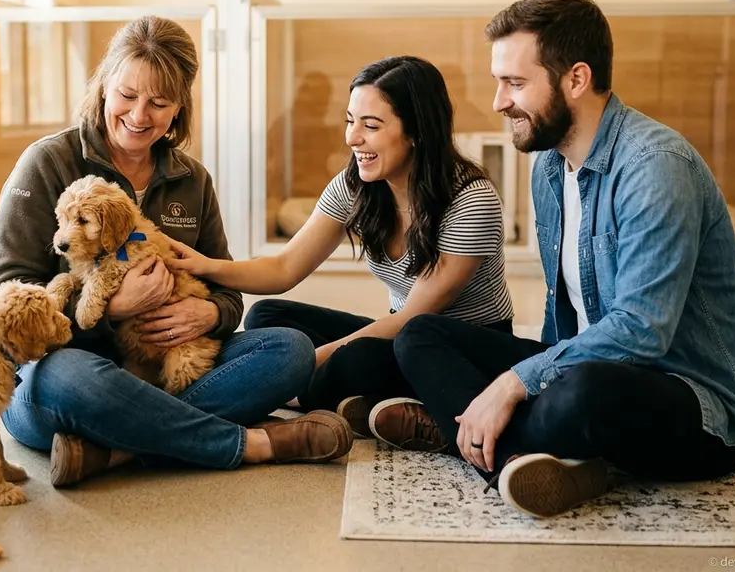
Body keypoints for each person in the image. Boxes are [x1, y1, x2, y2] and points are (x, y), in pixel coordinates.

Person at [374, 0, 735, 518]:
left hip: (694, 406)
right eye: (500, 83)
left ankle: (468, 433)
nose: (499, 102)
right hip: (591, 370)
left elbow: (642, 330)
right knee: (420, 334)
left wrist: (516, 383)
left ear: (576, 79)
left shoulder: (655, 165)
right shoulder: (548, 166)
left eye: (515, 83)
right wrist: (529, 377)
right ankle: (527, 461)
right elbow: (564, 313)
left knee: (579, 389)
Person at [0, 15, 354, 488]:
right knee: (69, 380)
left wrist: (207, 315)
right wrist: (111, 309)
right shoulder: (48, 162)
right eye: (127, 95)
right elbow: (6, 296)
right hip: (70, 368)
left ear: (179, 107)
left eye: (159, 103)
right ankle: (250, 444)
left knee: (289, 349)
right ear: (103, 86)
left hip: (163, 365)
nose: (140, 116)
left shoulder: (192, 179)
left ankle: (115, 451)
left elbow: (226, 295)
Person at [168, 55, 514, 438]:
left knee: (354, 358)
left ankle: (362, 397)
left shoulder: (470, 200)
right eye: (350, 121)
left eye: (371, 125)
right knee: (268, 318)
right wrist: (206, 266)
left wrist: (298, 365)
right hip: (402, 336)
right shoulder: (357, 185)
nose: (352, 138)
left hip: (458, 349)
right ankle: (367, 402)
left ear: (416, 130)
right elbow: (285, 268)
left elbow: (410, 320)